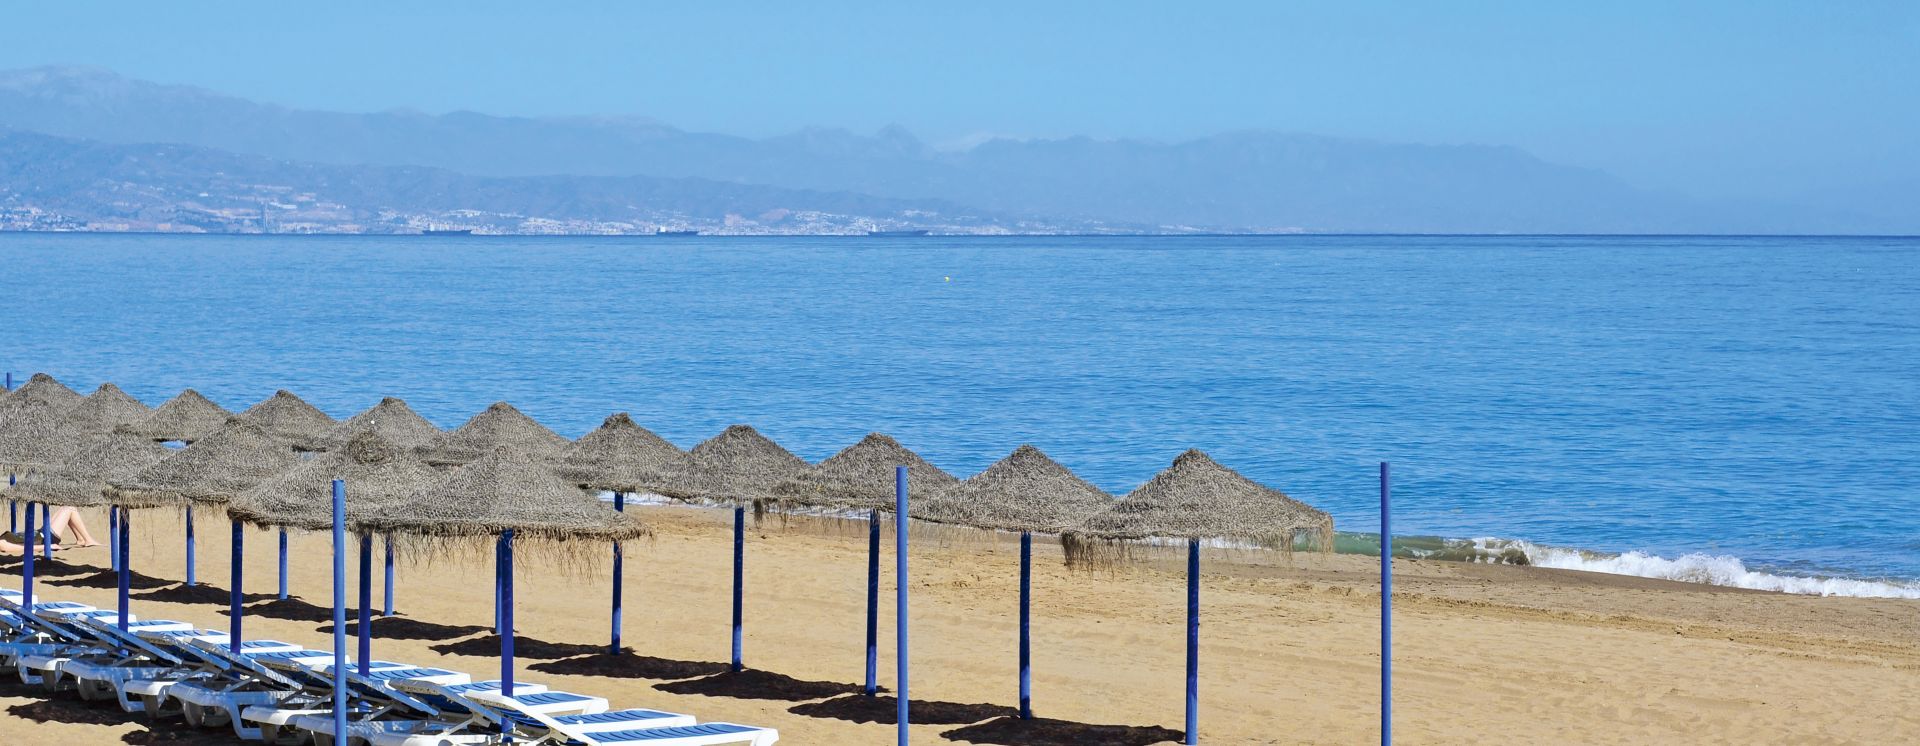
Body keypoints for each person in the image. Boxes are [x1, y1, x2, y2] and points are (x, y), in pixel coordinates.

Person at [0, 505, 100, 550]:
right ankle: (88, 540)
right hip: (46, 539)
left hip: (40, 534)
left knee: (66, 507)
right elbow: (20, 548)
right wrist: (48, 547)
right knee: (70, 508)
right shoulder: (1, 543)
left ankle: (81, 539)